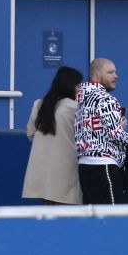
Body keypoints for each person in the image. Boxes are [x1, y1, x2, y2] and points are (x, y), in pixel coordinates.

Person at [22, 66, 84, 205]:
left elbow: (31, 135)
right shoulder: (75, 108)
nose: (80, 89)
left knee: (49, 216)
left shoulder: (39, 104)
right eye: (78, 85)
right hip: (66, 172)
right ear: (71, 86)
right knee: (66, 220)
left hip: (41, 173)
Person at [75, 58, 128, 204]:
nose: (116, 76)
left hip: (84, 164)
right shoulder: (106, 99)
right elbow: (115, 134)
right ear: (97, 76)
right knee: (111, 215)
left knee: (92, 216)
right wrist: (125, 134)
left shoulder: (80, 98)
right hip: (105, 164)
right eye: (110, 72)